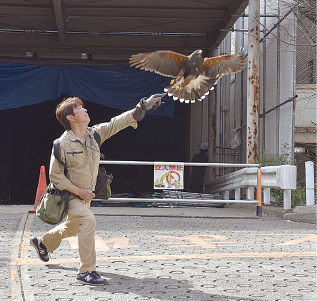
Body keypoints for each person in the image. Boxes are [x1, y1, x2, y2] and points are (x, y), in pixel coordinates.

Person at [30, 93, 165, 285]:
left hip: (86, 197)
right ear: (70, 117)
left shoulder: (95, 135)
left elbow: (118, 122)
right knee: (88, 221)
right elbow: (55, 176)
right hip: (69, 197)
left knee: (74, 226)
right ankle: (86, 271)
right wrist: (79, 191)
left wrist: (142, 106)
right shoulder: (61, 144)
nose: (85, 110)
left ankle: (42, 243)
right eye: (79, 109)